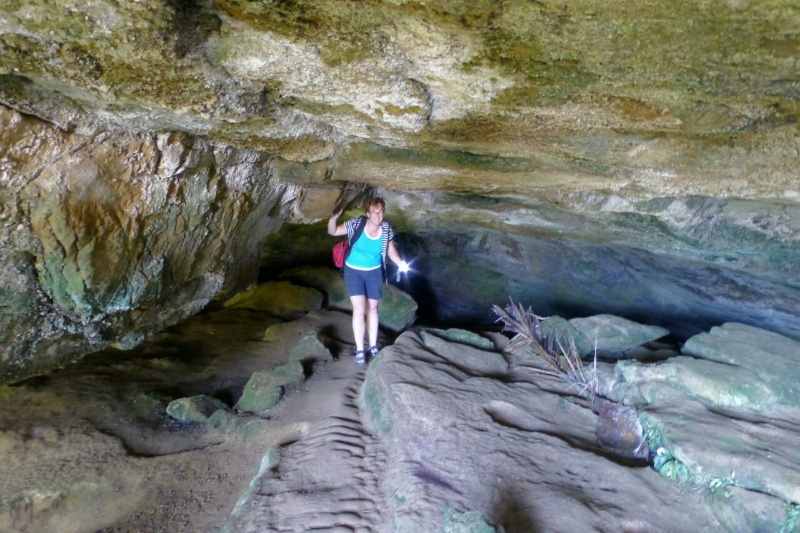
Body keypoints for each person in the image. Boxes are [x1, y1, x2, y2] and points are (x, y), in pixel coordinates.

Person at [328, 197, 408, 365]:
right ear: (368, 213)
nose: (378, 216)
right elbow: (333, 232)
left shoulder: (386, 229)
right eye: (374, 212)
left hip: (374, 272)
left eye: (380, 212)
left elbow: (391, 250)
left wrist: (400, 263)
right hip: (354, 271)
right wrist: (334, 218)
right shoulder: (357, 224)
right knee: (359, 308)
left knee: (372, 309)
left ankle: (372, 346)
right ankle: (359, 349)